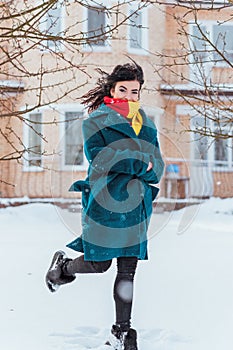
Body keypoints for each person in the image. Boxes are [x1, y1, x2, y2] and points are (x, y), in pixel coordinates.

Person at [45, 62, 164, 350]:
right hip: (105, 202)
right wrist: (139, 162)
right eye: (123, 89)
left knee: (127, 271)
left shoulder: (145, 123)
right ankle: (62, 269)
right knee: (99, 263)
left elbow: (157, 165)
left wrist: (142, 167)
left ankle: (122, 330)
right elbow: (101, 159)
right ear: (112, 90)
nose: (129, 95)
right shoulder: (95, 122)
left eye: (134, 91)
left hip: (136, 205)